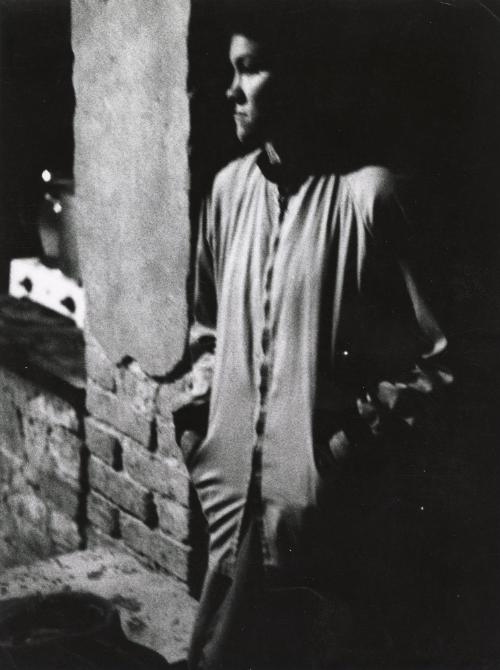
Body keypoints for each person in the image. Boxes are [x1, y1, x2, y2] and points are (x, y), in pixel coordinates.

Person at [176, 3, 457, 668]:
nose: (231, 91)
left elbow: (447, 361)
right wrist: (195, 419)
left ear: (305, 73)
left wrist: (346, 443)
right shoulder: (227, 192)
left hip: (325, 532)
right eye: (229, 70)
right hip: (231, 520)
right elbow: (207, 331)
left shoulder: (370, 200)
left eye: (249, 68)